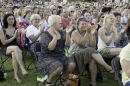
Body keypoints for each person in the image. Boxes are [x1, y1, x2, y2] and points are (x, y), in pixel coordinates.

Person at [69, 17, 114, 86]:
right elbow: (81, 45)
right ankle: (106, 66)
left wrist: (92, 34)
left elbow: (92, 45)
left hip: (87, 54)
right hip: (75, 55)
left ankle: (93, 83)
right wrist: (87, 33)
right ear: (78, 26)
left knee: (93, 61)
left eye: (85, 24)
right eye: (82, 24)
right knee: (90, 49)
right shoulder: (75, 33)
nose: (84, 25)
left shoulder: (88, 32)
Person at [38, 15, 75, 86]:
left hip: (60, 55)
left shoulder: (61, 32)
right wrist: (55, 37)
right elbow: (50, 48)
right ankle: (48, 81)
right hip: (48, 57)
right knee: (59, 67)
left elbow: (68, 44)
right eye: (60, 23)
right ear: (54, 24)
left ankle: (63, 78)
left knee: (72, 65)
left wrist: (67, 34)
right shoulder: (45, 34)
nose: (62, 25)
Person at [0, 13, 28, 83]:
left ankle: (16, 75)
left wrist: (18, 37)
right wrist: (14, 37)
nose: (11, 20)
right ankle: (22, 68)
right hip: (6, 48)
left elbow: (18, 43)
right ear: (5, 20)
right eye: (9, 19)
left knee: (14, 54)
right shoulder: (2, 30)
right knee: (15, 48)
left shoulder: (16, 29)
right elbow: (4, 43)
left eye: (12, 19)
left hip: (16, 48)